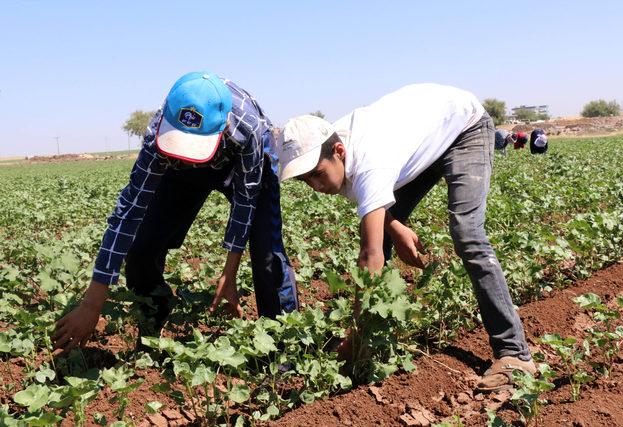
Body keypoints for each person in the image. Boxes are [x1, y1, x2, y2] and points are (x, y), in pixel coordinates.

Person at [278, 83, 534, 392]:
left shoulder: (370, 159)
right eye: (306, 181)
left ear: (339, 152)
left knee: (467, 232)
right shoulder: (338, 154)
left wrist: (353, 338)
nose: (315, 186)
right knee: (383, 232)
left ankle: (514, 354)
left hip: (464, 127)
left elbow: (370, 255)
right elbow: (370, 201)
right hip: (421, 140)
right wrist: (396, 228)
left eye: (317, 174)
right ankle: (377, 337)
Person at [53, 71, 298, 355]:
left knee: (267, 252)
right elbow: (128, 213)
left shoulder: (247, 128)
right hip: (182, 175)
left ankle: (283, 346)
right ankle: (154, 310)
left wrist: (228, 275)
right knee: (142, 246)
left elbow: (245, 202)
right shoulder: (158, 135)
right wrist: (91, 304)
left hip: (239, 161)